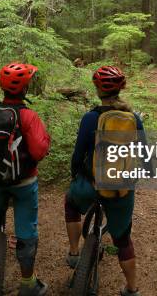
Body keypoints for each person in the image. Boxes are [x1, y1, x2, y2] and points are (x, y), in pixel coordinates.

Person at [0, 63, 51, 296]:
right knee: (26, 230)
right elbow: (38, 152)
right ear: (25, 90)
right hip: (24, 184)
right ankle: (28, 284)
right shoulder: (29, 116)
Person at [64, 66, 147, 296]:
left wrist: (76, 177)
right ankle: (131, 288)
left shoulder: (90, 118)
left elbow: (78, 154)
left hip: (91, 185)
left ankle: (73, 253)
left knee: (71, 203)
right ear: (122, 88)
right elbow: (146, 159)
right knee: (123, 239)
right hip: (121, 189)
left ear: (97, 88)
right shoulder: (134, 119)